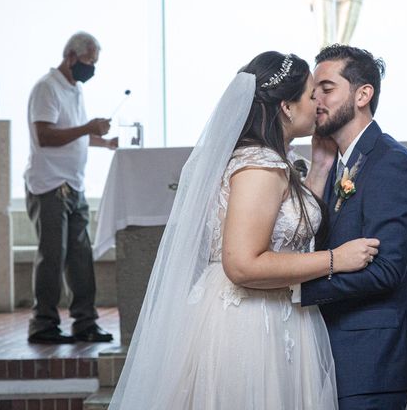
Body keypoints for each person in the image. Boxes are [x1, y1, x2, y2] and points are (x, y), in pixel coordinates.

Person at [109, 51, 380, 409]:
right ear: (286, 106)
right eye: (311, 94)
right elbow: (242, 265)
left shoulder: (273, 160)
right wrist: (335, 259)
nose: (318, 104)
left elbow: (290, 228)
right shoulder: (259, 167)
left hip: (279, 312)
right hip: (252, 324)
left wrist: (320, 167)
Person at [301, 44, 407, 409]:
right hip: (333, 353)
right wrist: (319, 173)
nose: (316, 101)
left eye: (327, 89)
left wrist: (297, 288)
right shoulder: (336, 164)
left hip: (370, 360)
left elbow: (387, 270)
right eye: (313, 92)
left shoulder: (390, 163)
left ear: (362, 94)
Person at [24, 31, 118, 344]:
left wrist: (103, 141)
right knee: (52, 255)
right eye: (89, 62)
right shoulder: (47, 88)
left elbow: (74, 134)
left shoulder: (73, 89)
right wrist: (88, 127)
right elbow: (46, 136)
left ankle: (85, 323)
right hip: (49, 184)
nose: (91, 69)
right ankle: (44, 324)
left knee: (80, 257)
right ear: (71, 57)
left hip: (72, 185)